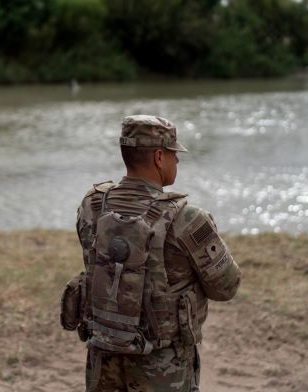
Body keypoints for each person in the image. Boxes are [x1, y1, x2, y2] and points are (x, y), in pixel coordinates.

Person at [71, 115, 241, 392]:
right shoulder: (187, 218)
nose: (178, 161)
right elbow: (226, 287)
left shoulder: (92, 205)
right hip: (163, 366)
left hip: (103, 356)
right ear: (159, 157)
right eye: (175, 154)